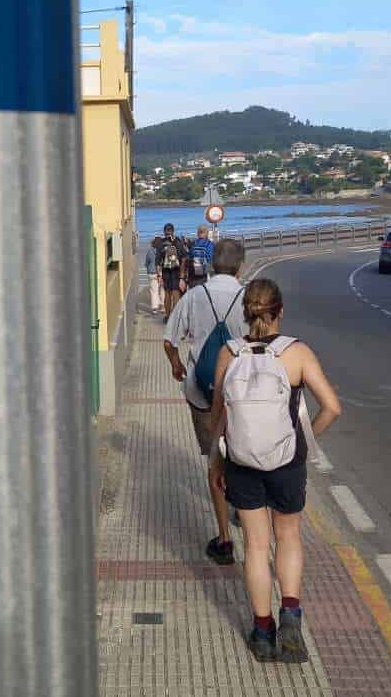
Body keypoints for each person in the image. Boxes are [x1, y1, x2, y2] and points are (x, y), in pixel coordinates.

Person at [210, 278, 341, 664]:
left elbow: (220, 416)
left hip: (241, 463)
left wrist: (217, 461)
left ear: (246, 313)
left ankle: (262, 630)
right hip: (287, 465)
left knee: (254, 545)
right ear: (279, 311)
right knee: (288, 538)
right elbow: (332, 407)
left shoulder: (228, 353)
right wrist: (303, 442)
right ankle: (291, 616)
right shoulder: (296, 353)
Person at [163, 238, 248, 566]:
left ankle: (224, 540)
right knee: (241, 454)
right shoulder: (248, 297)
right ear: (240, 266)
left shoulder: (196, 296)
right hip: (240, 393)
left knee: (215, 462)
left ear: (211, 264)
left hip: (202, 391)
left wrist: (176, 365)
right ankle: (243, 508)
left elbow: (169, 340)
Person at [156, 223, 187, 321]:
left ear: (164, 231)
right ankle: (175, 317)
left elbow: (157, 261)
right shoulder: (178, 242)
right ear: (173, 231)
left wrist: (159, 275)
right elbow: (184, 259)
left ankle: (168, 316)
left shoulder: (161, 243)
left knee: (167, 295)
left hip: (165, 272)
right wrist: (182, 276)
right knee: (176, 294)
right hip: (176, 271)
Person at [145, 237, 163, 313]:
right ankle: (163, 306)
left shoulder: (150, 251)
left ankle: (155, 308)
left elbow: (147, 262)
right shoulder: (163, 251)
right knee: (162, 289)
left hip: (152, 273)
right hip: (161, 272)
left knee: (154, 290)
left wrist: (148, 266)